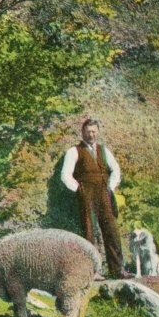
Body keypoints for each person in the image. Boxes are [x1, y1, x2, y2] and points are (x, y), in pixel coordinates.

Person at [61, 118, 133, 280]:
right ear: (82, 133)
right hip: (86, 195)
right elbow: (65, 175)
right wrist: (79, 190)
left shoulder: (104, 150)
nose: (91, 135)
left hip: (104, 193)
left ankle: (117, 269)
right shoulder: (74, 151)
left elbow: (116, 170)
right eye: (88, 132)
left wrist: (111, 186)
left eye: (94, 131)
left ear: (97, 132)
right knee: (88, 231)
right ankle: (92, 272)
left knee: (112, 230)